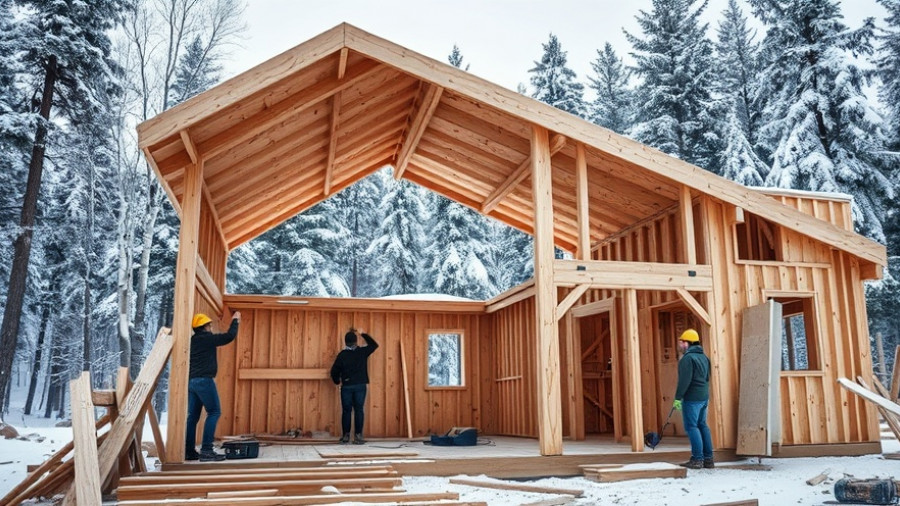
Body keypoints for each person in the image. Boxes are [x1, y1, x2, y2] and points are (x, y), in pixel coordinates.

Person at [185, 311, 240, 461]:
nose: (211, 327)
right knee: (214, 412)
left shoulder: (193, 340)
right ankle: (207, 450)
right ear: (204, 327)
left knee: (193, 417)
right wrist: (235, 321)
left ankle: (188, 451)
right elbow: (229, 337)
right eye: (209, 325)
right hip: (204, 381)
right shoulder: (206, 339)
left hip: (191, 382)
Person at [673, 328, 714, 469]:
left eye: (681, 342)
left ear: (687, 343)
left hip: (692, 398)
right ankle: (708, 459)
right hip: (704, 397)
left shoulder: (687, 359)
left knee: (692, 427)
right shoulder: (704, 357)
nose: (680, 345)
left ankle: (697, 459)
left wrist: (678, 398)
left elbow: (684, 381)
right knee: (702, 425)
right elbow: (708, 377)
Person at [330, 328, 379, 444]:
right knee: (359, 410)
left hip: (347, 386)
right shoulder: (362, 352)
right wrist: (363, 333)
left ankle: (346, 436)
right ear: (356, 341)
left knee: (346, 411)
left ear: (345, 342)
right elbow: (374, 345)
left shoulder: (342, 355)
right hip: (360, 385)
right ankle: (358, 436)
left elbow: (334, 371)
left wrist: (337, 381)